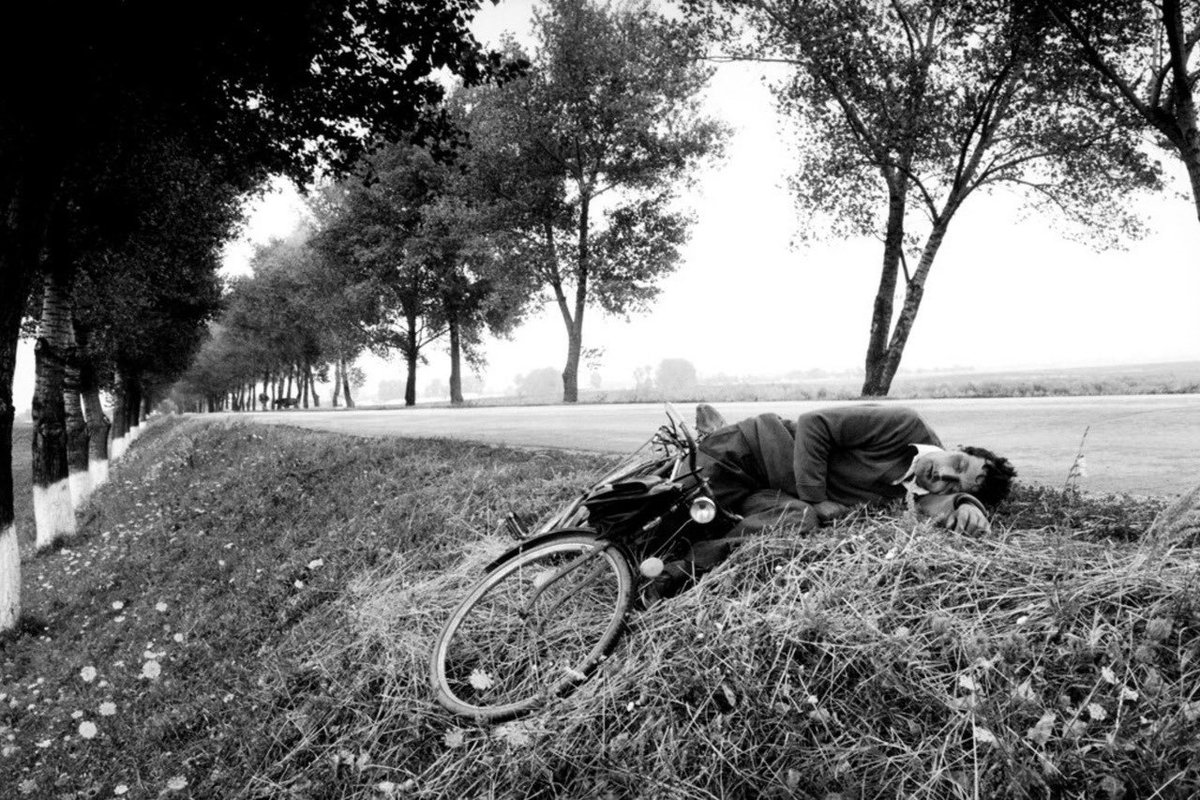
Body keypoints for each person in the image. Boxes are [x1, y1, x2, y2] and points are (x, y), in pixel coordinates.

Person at [653, 403, 1017, 589]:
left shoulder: (920, 494)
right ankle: (709, 439)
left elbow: (939, 507)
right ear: (956, 447)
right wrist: (817, 497)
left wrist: (967, 503)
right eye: (958, 462)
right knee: (664, 522)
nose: (945, 474)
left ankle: (676, 573)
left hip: (773, 494)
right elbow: (815, 423)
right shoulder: (906, 424)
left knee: (798, 520)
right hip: (754, 450)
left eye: (954, 484)